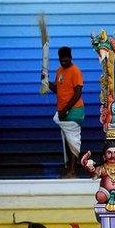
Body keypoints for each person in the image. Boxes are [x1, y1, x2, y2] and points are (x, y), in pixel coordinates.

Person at [49, 44, 84, 176]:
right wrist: (47, 83)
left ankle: (73, 170)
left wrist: (66, 109)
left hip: (74, 111)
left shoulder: (75, 71)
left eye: (66, 60)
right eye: (61, 60)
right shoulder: (59, 71)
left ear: (70, 57)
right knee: (68, 141)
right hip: (63, 112)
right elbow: (58, 90)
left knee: (72, 141)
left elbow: (78, 93)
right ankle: (70, 167)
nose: (64, 62)